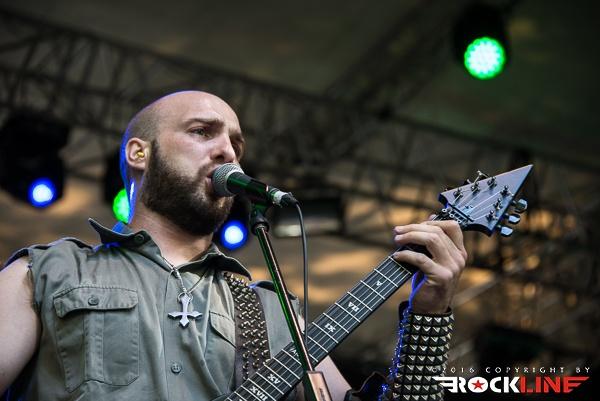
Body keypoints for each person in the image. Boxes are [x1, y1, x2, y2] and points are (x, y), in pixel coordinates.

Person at [0, 91, 467, 401]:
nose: (228, 150)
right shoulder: (47, 272)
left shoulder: (275, 314)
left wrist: (428, 318)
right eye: (202, 132)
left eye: (236, 143)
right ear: (139, 152)